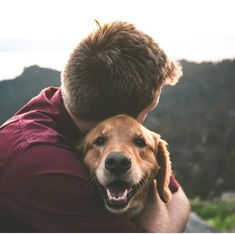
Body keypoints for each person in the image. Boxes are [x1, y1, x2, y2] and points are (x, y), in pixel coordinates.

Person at [0, 21, 190, 232]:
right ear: (120, 116)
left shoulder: (62, 104)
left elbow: (178, 198)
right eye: (149, 108)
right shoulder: (42, 164)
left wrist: (152, 186)